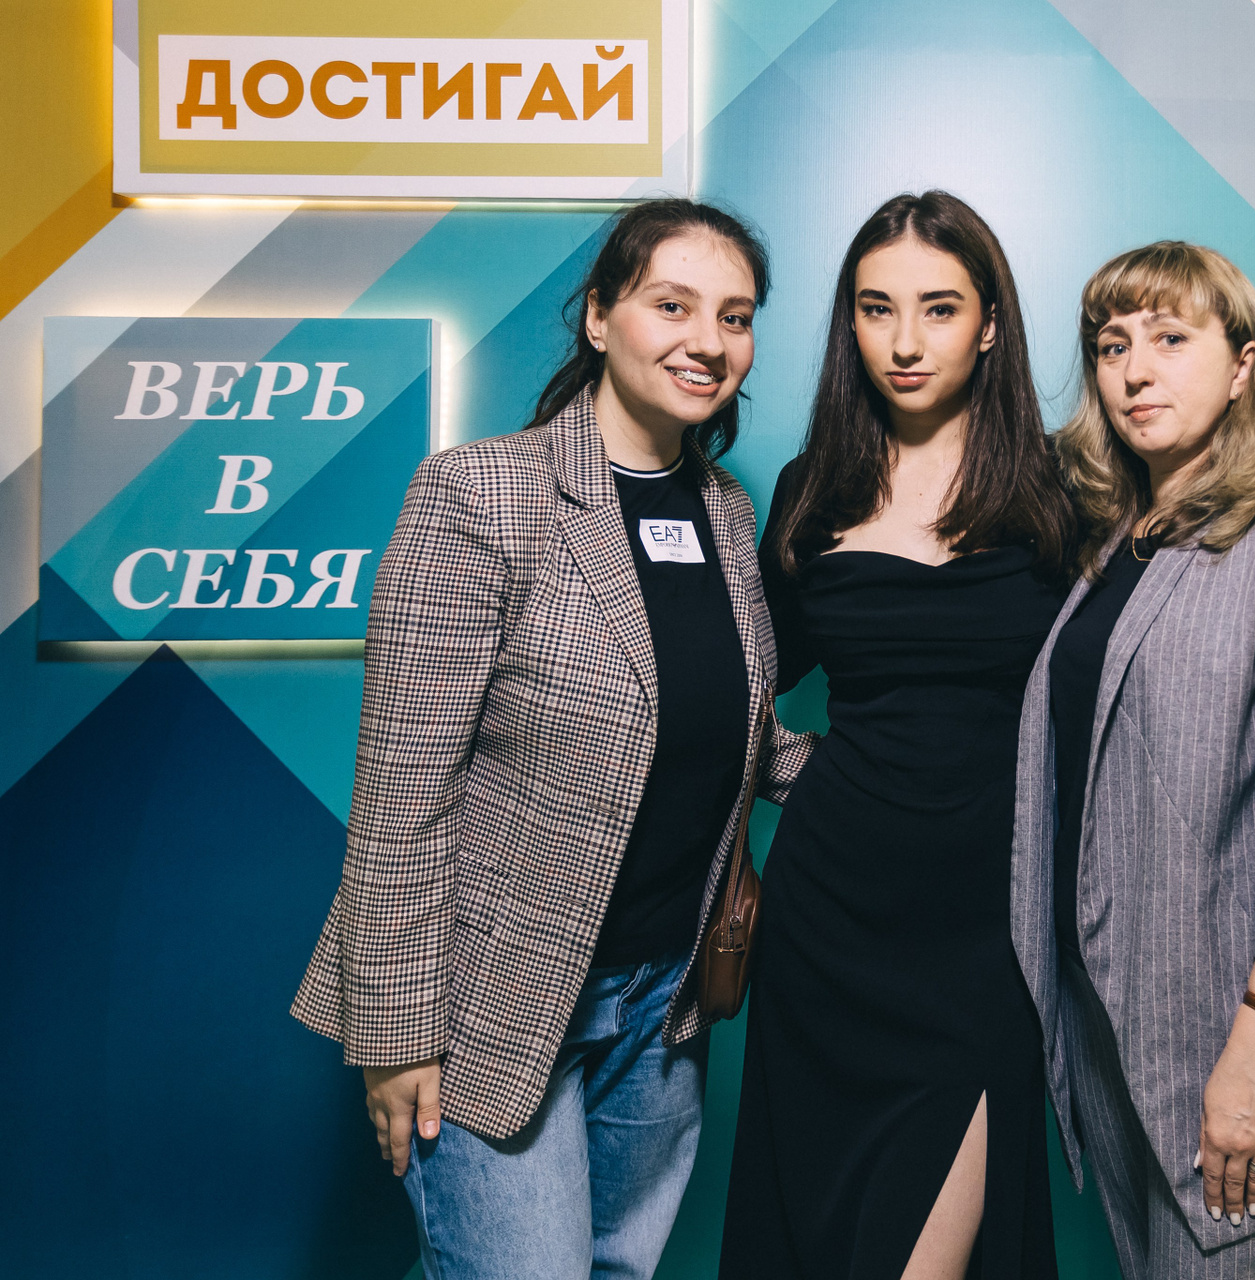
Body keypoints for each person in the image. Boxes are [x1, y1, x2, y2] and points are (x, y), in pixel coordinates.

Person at [290, 198, 817, 1280]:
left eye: (734, 317)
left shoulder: (724, 510)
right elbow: (401, 787)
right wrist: (396, 1037)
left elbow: (727, 725)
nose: (708, 341)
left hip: (664, 1005)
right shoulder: (481, 492)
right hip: (492, 997)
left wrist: (907, 779)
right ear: (599, 316)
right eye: (673, 305)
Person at [1009, 241, 1255, 1279]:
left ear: (1241, 366)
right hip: (1115, 1025)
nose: (1134, 371)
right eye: (1112, 346)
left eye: (1170, 339)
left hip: (1231, 1034)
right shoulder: (1119, 546)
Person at [720, 191, 1076, 1280]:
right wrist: (818, 774)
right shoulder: (811, 488)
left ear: (991, 323)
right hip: (832, 919)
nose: (906, 342)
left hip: (986, 928)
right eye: (877, 309)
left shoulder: (1065, 490)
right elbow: (732, 689)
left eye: (939, 308)